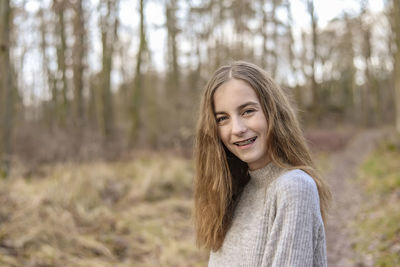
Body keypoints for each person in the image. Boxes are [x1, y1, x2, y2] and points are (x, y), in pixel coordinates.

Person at [193, 61, 331, 266]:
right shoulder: (234, 192)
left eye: (247, 111)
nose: (236, 129)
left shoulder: (294, 188)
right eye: (222, 118)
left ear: (272, 111)